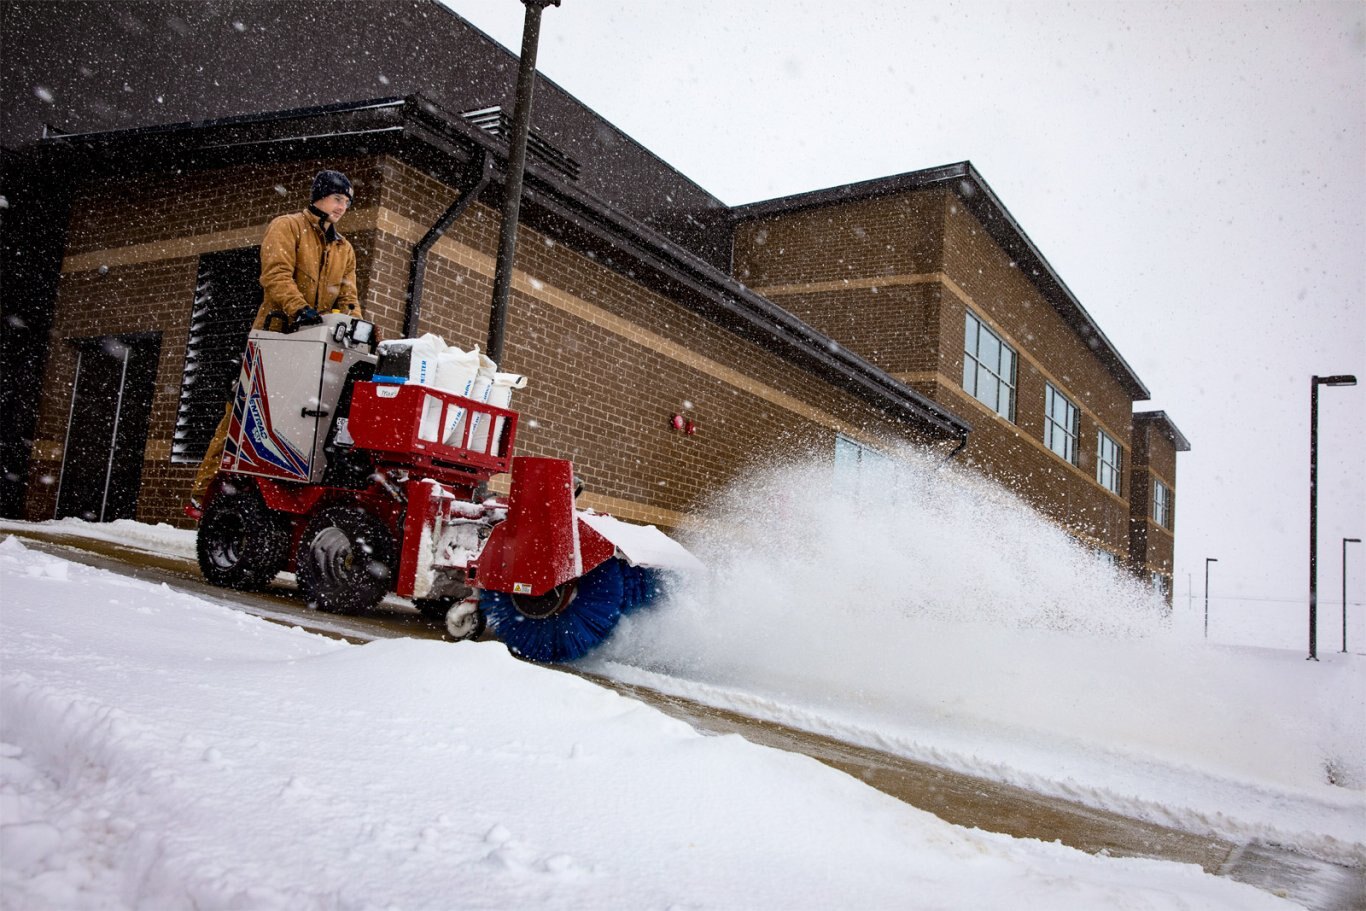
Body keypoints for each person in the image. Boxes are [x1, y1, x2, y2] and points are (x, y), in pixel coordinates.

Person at [187, 170, 364, 515]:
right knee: (242, 415)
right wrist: (298, 309)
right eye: (337, 198)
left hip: (316, 345)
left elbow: (349, 296)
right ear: (319, 196)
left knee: (302, 419)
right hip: (276, 335)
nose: (342, 206)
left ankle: (276, 491)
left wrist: (354, 326)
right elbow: (275, 274)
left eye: (346, 201)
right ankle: (204, 492)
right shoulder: (287, 226)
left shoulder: (344, 248)